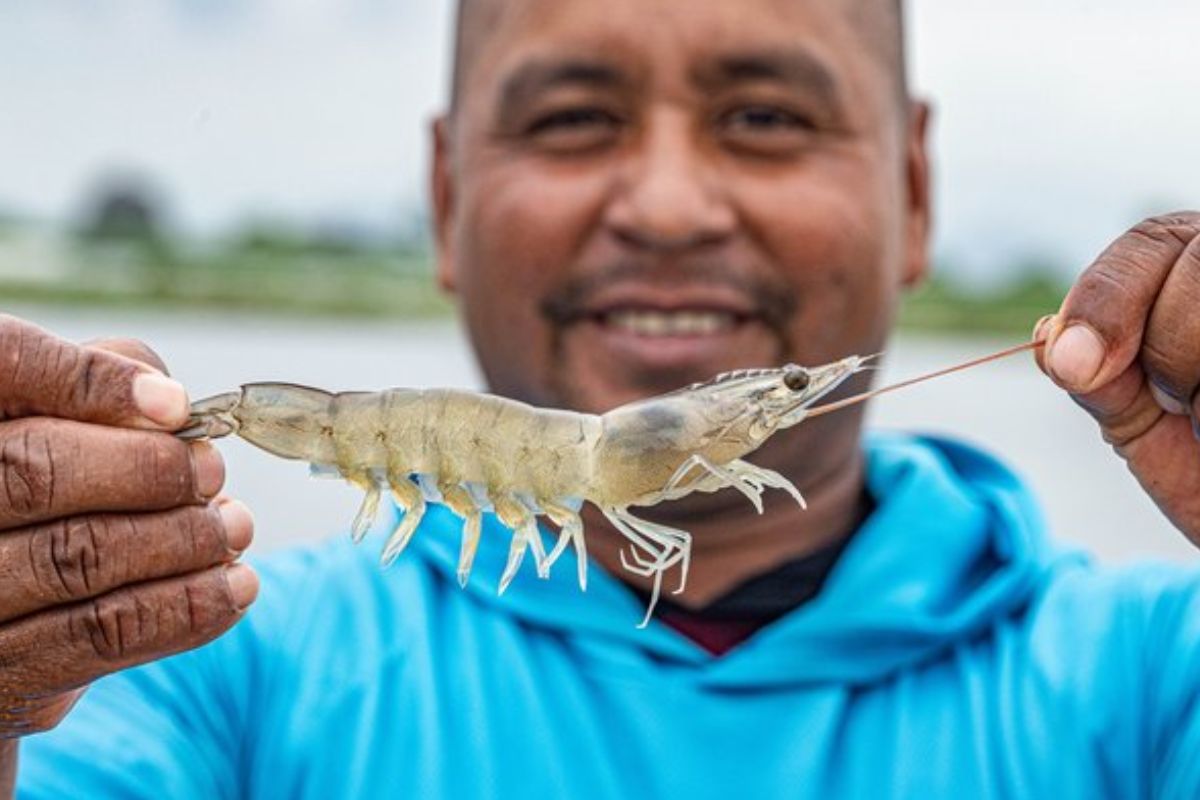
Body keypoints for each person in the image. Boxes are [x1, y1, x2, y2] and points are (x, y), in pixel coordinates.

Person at [4, 0, 1199, 796]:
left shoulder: (1154, 676)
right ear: (444, 193)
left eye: (764, 117)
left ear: (916, 190)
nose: (669, 205)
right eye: (573, 119)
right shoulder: (197, 652)